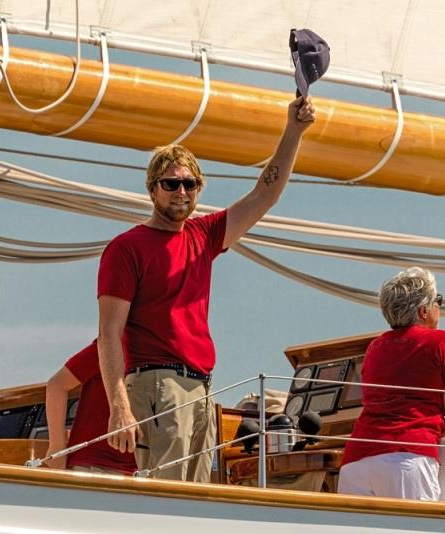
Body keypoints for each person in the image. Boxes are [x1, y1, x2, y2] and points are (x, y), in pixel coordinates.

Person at [97, 95, 316, 482]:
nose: (181, 192)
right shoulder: (126, 248)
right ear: (152, 189)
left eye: (189, 184)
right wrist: (119, 405)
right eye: (171, 184)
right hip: (157, 385)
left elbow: (266, 192)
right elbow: (109, 332)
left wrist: (293, 131)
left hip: (201, 388)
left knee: (198, 500)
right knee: (165, 499)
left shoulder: (204, 235)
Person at [338, 267, 445, 500]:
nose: (440, 306)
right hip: (406, 457)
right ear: (423, 310)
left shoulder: (374, 348)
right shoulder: (441, 340)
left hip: (356, 461)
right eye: (438, 300)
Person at [44, 340, 137, 475]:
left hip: (141, 471)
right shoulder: (114, 345)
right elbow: (57, 385)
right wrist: (57, 450)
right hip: (94, 468)